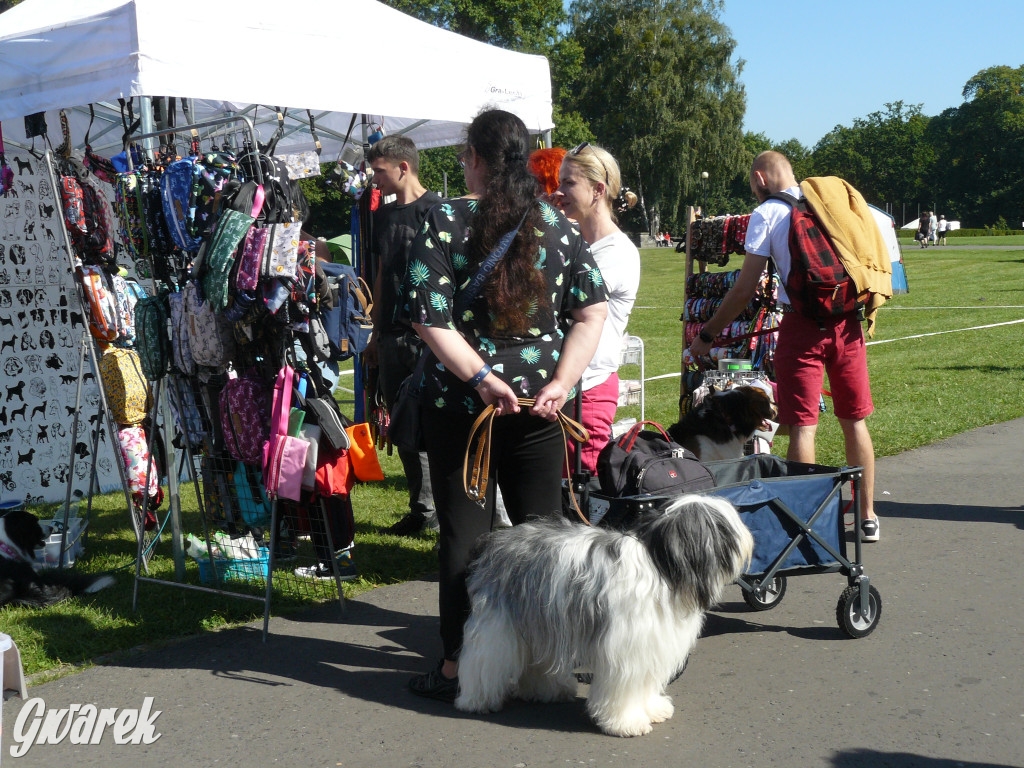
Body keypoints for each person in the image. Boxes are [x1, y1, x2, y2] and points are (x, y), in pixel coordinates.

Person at [404, 109, 608, 700]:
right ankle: (543, 662)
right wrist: (561, 383)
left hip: (465, 410)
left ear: (473, 157)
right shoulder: (559, 225)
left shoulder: (444, 219)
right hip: (539, 408)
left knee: (466, 539)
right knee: (544, 537)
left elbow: (428, 318)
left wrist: (481, 378)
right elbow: (591, 311)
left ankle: (459, 667)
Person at [688, 151, 880, 543]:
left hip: (800, 326)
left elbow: (745, 288)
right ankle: (867, 516)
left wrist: (706, 334)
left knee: (803, 426)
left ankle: (805, 522)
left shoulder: (767, 214)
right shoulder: (827, 201)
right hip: (847, 324)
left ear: (760, 178)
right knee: (854, 421)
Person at [364, 135, 442, 536]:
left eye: (379, 170)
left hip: (435, 338)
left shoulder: (441, 211)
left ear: (403, 167)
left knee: (440, 424)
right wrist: (376, 332)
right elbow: (381, 274)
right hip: (393, 334)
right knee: (402, 423)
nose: (374, 178)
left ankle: (451, 511)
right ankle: (422, 509)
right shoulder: (384, 217)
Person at [553, 141, 640, 474]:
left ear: (598, 190)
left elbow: (555, 296)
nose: (559, 191)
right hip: (565, 385)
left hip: (586, 389)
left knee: (579, 498)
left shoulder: (615, 251)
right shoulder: (578, 241)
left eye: (569, 183)